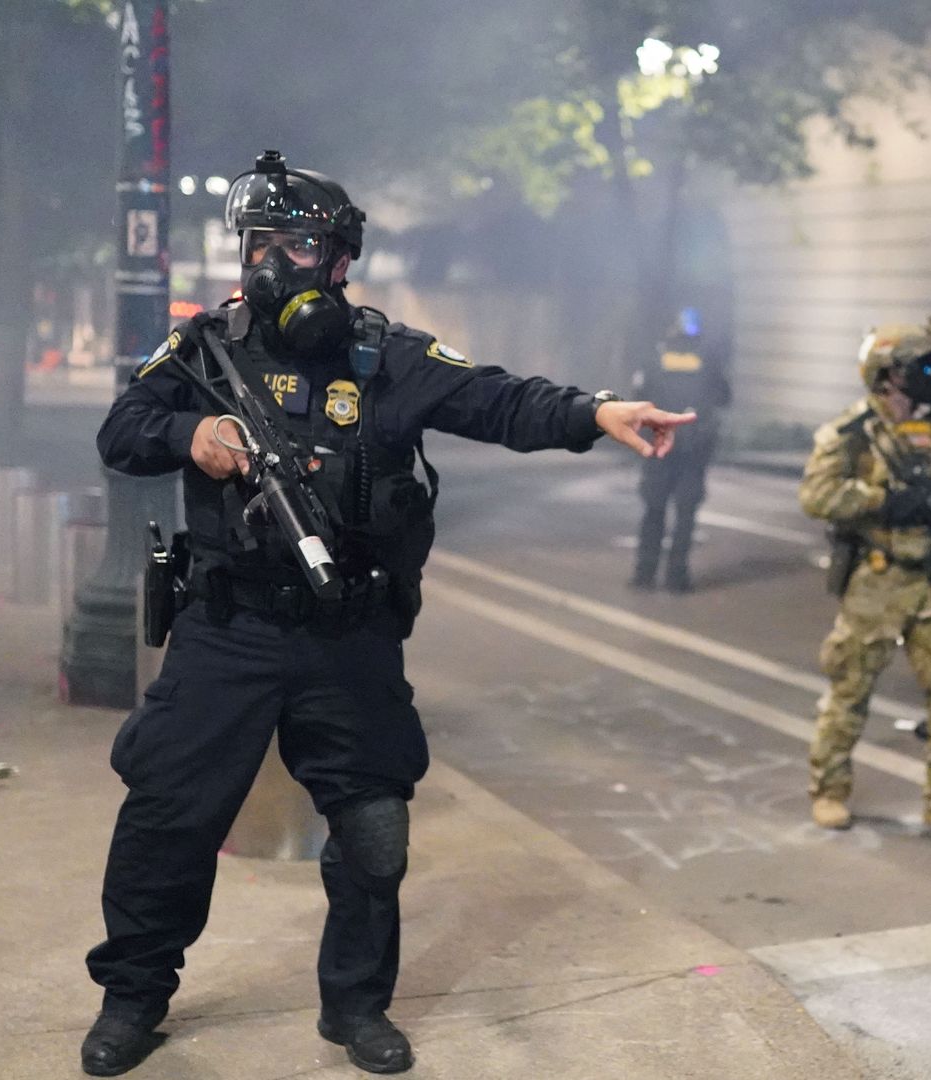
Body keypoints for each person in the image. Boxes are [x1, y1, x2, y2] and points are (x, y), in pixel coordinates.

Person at [79, 151, 693, 1077]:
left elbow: (498, 398)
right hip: (229, 627)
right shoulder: (205, 353)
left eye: (299, 243)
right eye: (261, 243)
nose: (275, 262)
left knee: (374, 833)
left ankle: (356, 1007)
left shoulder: (385, 357)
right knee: (168, 815)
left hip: (347, 634)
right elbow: (121, 432)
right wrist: (187, 433)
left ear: (339, 258)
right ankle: (133, 997)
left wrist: (595, 411)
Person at [798, 317, 931, 835]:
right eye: (922, 366)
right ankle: (829, 791)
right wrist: (883, 501)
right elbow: (816, 495)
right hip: (878, 581)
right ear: (888, 376)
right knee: (850, 689)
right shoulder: (853, 433)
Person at [629, 307, 731, 592]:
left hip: (660, 444)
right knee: (685, 514)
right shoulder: (708, 358)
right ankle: (677, 577)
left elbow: (639, 396)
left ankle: (644, 574)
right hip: (694, 448)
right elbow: (724, 396)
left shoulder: (656, 356)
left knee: (653, 509)